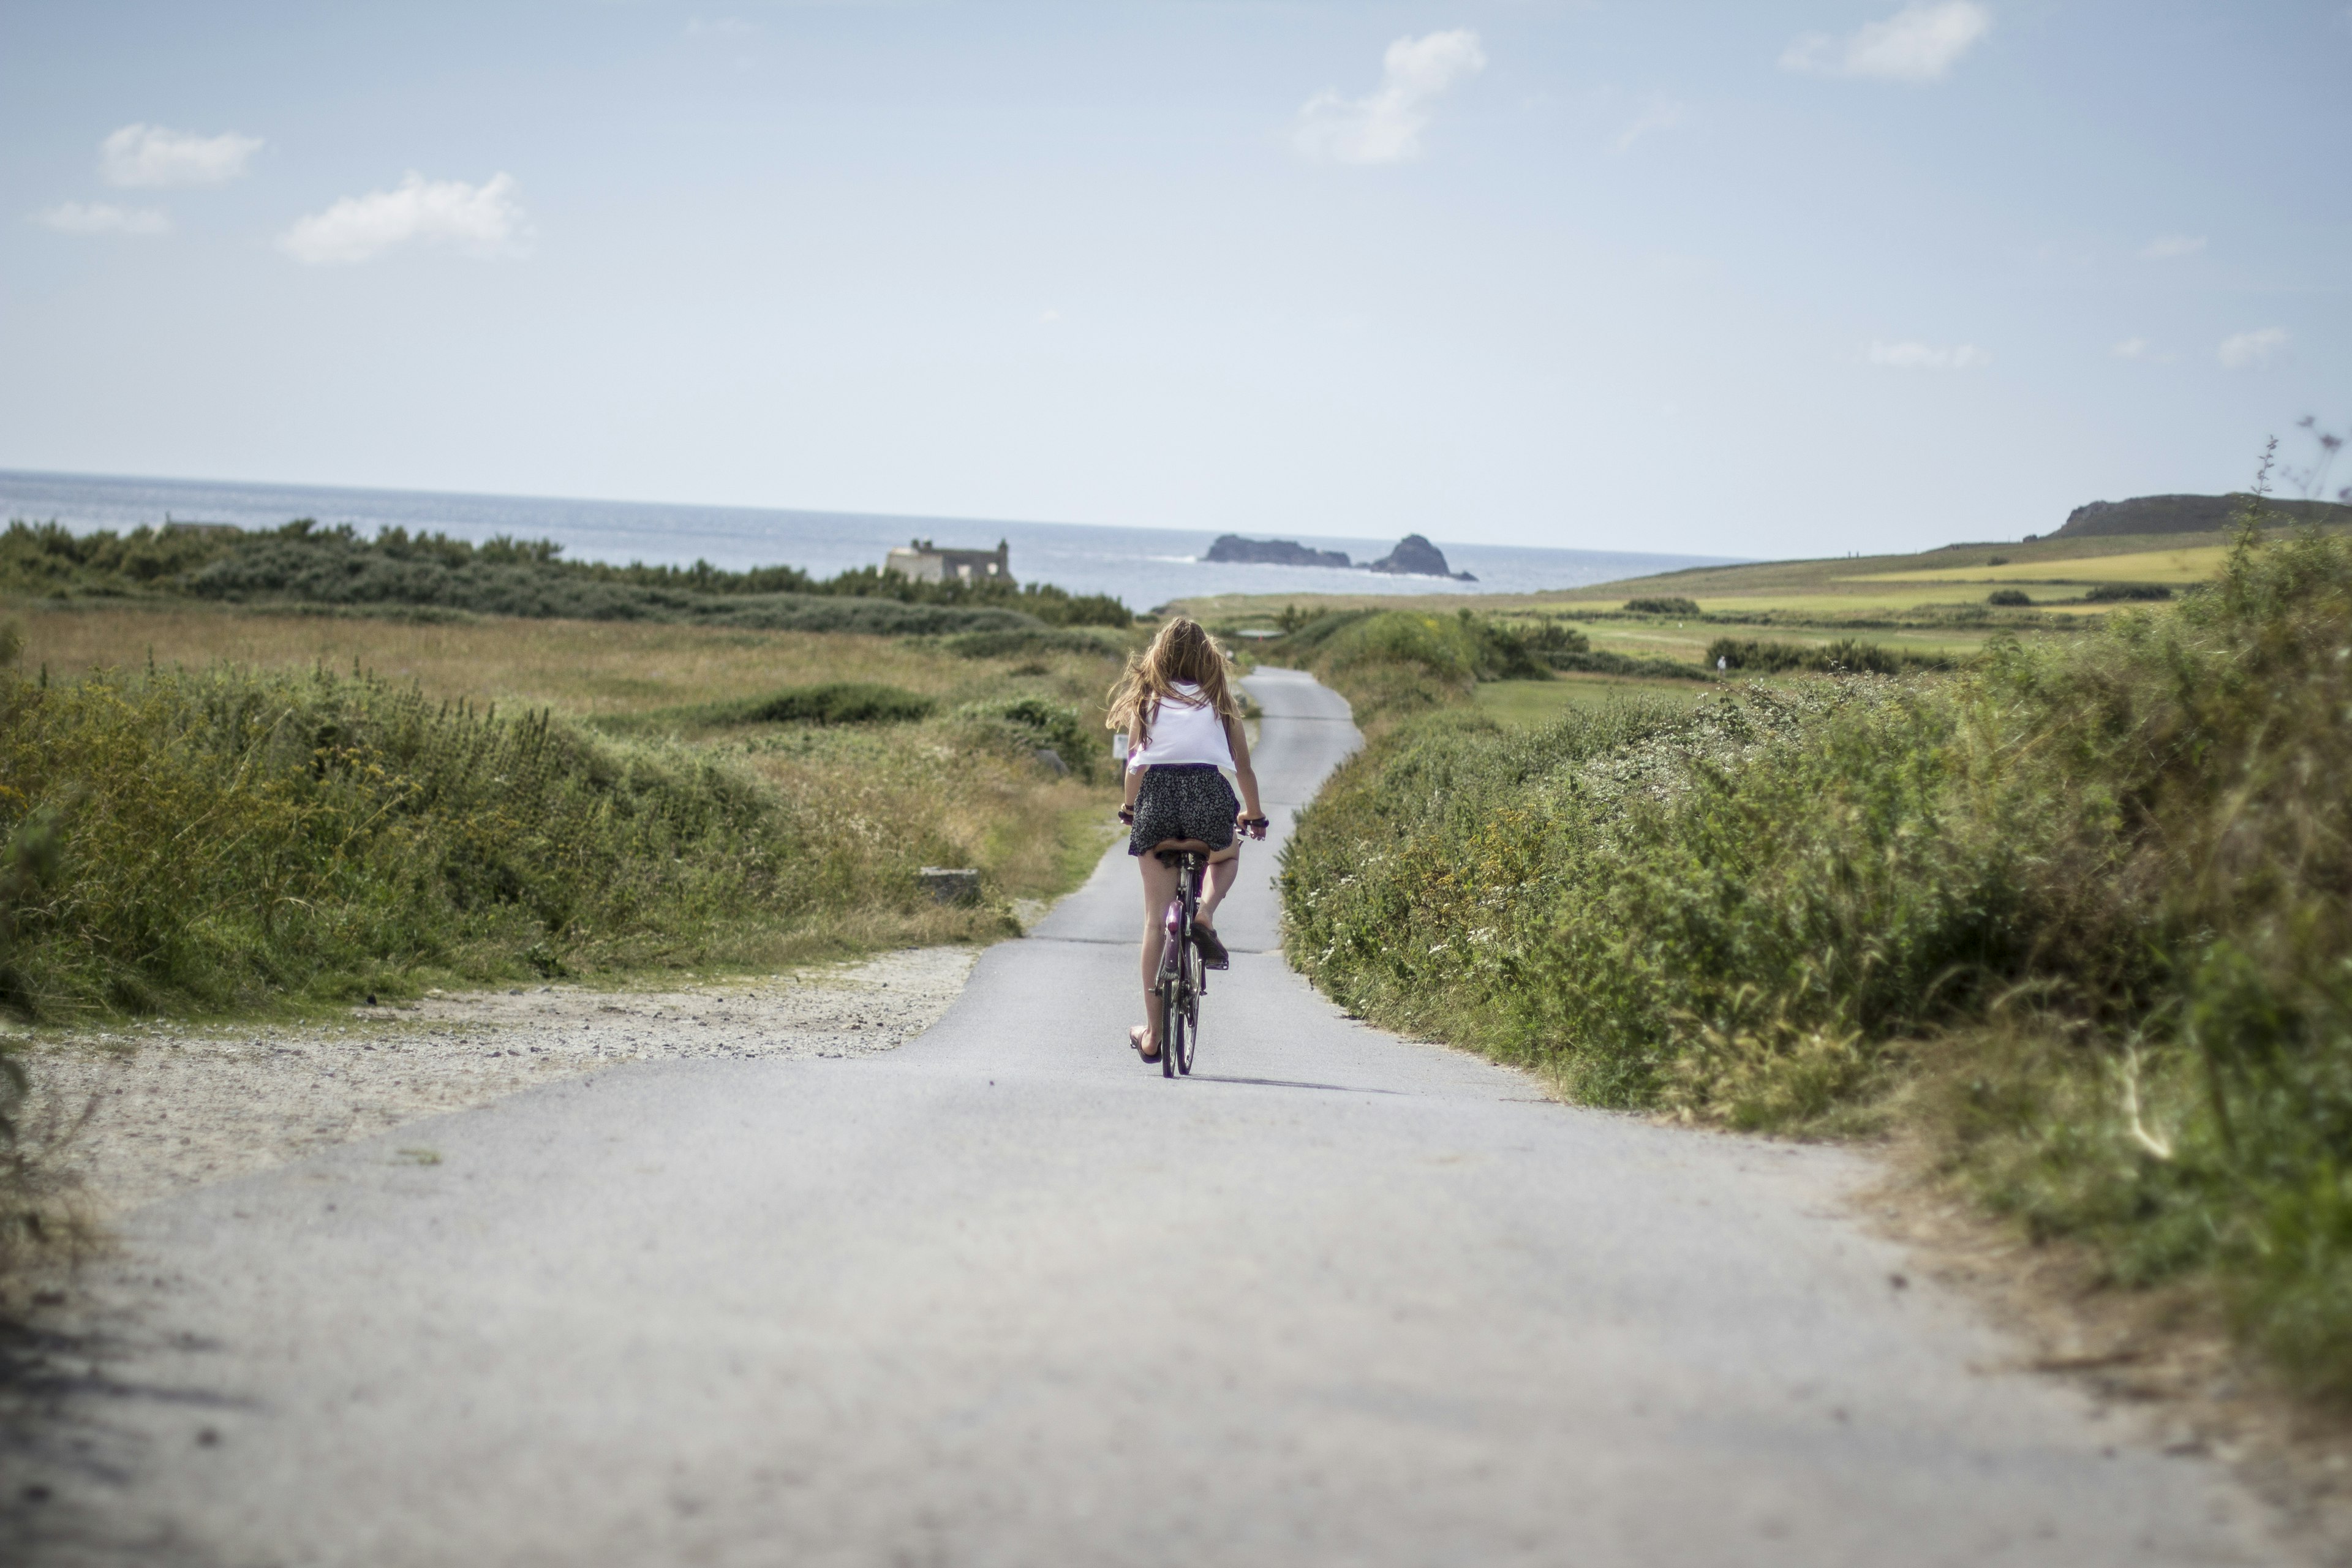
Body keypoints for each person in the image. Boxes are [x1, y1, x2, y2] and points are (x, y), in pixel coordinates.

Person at [1106, 618, 1267, 1062]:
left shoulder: (1146, 700)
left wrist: (1130, 809)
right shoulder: (1220, 700)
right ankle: (1204, 912)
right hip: (1209, 800)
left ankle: (1154, 1035)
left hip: (1157, 800)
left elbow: (1135, 767)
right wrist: (1254, 815)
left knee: (1155, 923)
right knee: (1227, 854)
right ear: (1207, 657)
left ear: (1160, 655)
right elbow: (1244, 769)